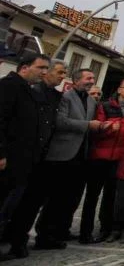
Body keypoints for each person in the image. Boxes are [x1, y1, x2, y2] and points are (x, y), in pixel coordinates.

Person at [4, 59, 67, 254]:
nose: (62, 76)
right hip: (17, 157)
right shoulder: (21, 89)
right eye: (43, 68)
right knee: (11, 202)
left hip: (40, 158)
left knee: (30, 203)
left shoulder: (55, 96)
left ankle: (18, 241)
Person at [36, 68, 104, 246]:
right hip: (62, 155)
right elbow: (60, 121)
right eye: (88, 78)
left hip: (81, 157)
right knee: (55, 198)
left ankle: (61, 231)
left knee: (71, 199)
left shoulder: (90, 101)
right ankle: (45, 235)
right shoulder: (66, 97)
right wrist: (88, 125)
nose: (91, 80)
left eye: (93, 78)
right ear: (76, 80)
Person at [84, 78, 124, 244]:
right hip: (100, 155)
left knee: (111, 196)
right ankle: (86, 232)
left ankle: (107, 229)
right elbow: (97, 131)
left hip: (121, 157)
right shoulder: (105, 106)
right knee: (91, 196)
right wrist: (110, 128)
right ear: (119, 89)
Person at [0, 53, 50, 259]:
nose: (44, 72)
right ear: (24, 67)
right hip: (8, 159)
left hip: (22, 161)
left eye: (46, 69)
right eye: (40, 68)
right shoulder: (9, 86)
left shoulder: (28, 90)